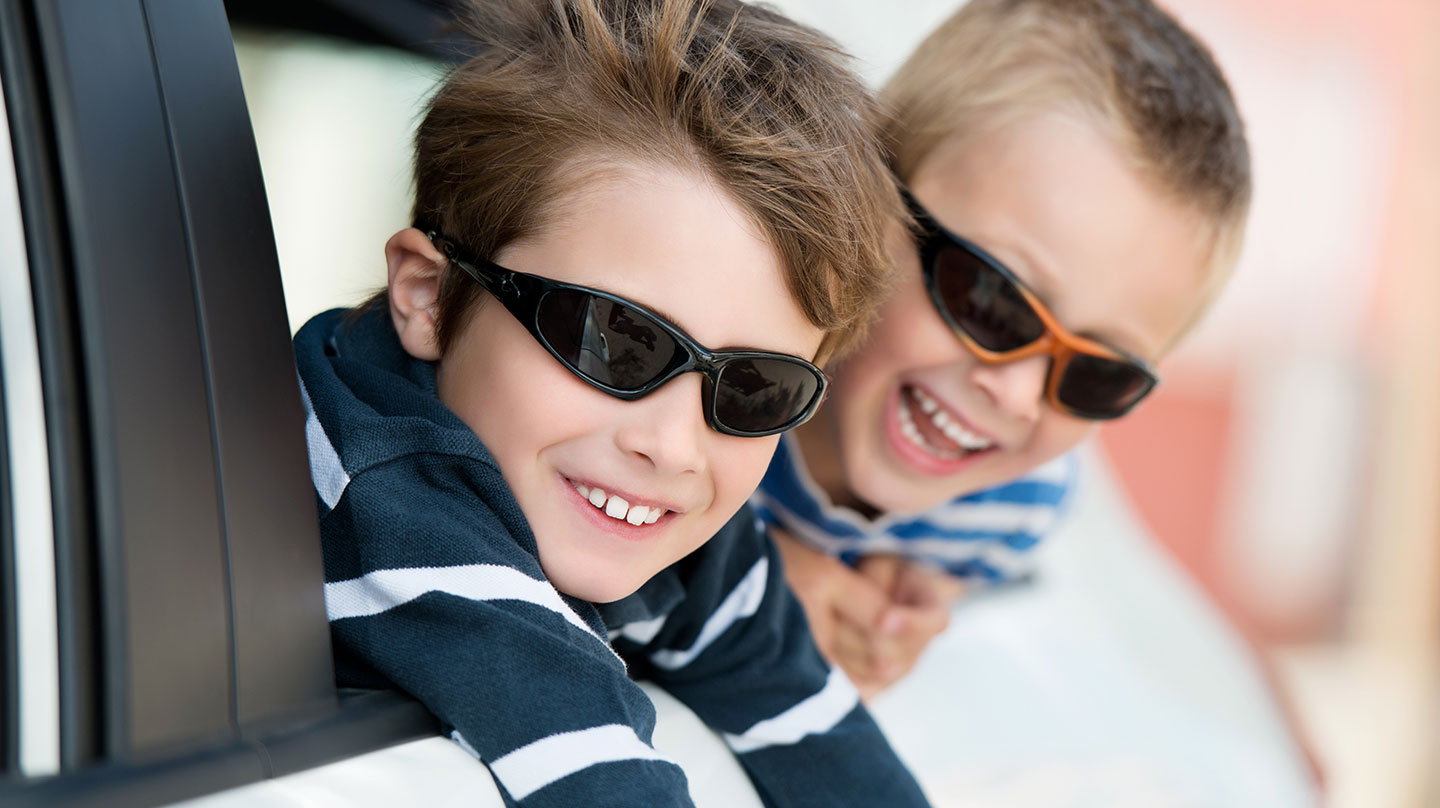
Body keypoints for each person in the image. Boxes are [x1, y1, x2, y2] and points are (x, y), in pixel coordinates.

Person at [294, 0, 929, 805]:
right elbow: (599, 776)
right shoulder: (382, 497)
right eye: (616, 340)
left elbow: (818, 735)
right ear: (429, 294)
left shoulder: (682, 520)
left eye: (754, 387)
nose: (673, 445)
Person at [753, 0, 1252, 699]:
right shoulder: (719, 368)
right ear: (862, 190)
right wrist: (748, 581)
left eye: (1095, 373)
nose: (1017, 393)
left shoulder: (1012, 507)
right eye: (991, 299)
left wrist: (906, 610)